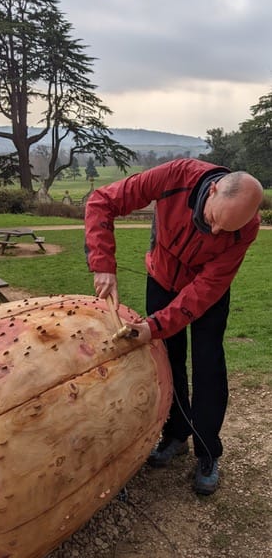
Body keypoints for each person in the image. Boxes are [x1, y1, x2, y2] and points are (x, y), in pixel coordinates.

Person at [84, 158, 263, 495]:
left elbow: (206, 289)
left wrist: (155, 325)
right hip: (162, 278)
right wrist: (103, 264)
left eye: (227, 230)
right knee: (170, 359)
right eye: (213, 220)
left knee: (209, 367)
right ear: (211, 191)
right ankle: (176, 435)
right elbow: (101, 201)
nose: (216, 233)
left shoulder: (245, 227)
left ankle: (208, 452)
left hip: (206, 294)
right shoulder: (174, 176)